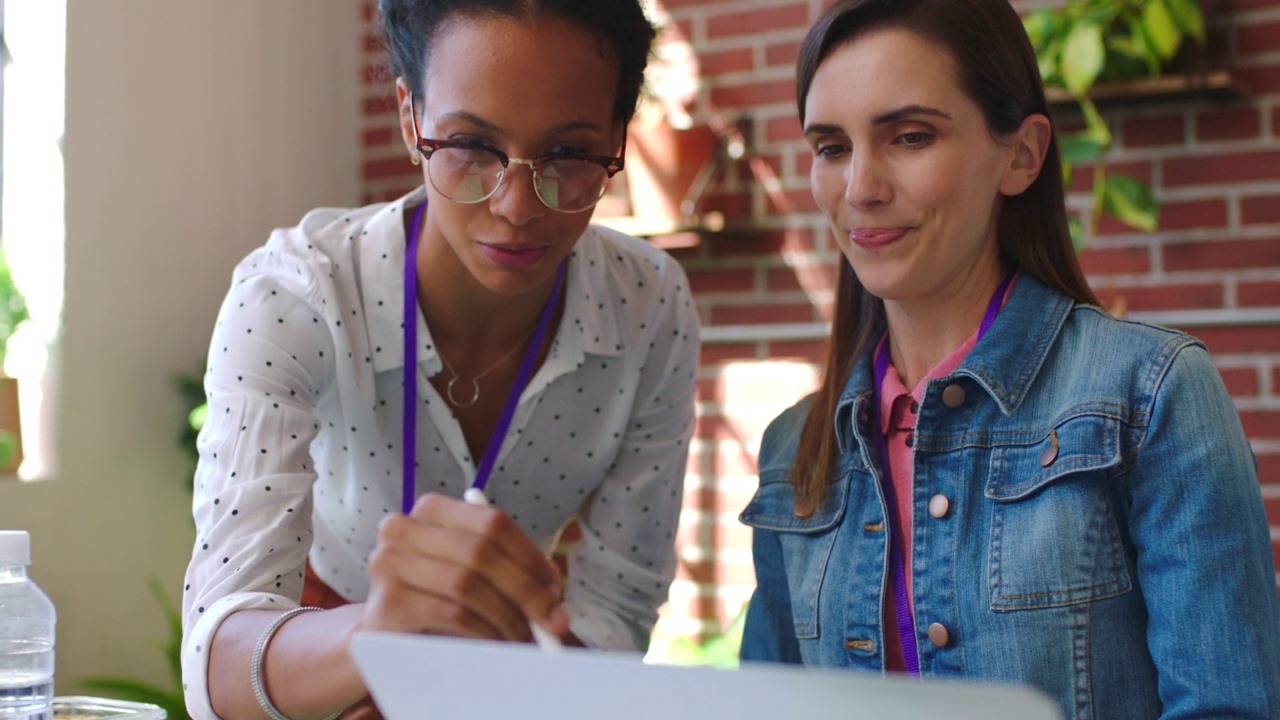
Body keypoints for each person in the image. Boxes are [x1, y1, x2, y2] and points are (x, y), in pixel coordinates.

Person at [738, 0, 1280, 717]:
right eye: (831, 147)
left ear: (1021, 155)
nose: (861, 188)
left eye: (909, 136)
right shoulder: (793, 450)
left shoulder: (1149, 396)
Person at [179, 1, 700, 718]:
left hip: (521, 663)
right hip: (315, 636)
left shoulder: (649, 304)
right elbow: (219, 658)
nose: (517, 205)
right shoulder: (297, 295)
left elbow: (616, 605)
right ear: (409, 116)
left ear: (617, 136)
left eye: (570, 155)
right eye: (470, 145)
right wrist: (375, 640)